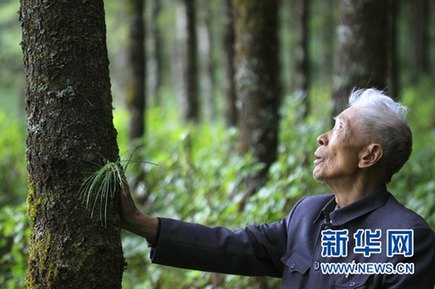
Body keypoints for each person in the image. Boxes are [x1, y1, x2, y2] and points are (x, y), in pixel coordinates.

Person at [120, 88, 435, 289]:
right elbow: (235, 246)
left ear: (369, 155)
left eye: (339, 128)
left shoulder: (407, 237)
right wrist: (141, 223)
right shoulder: (307, 214)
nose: (322, 137)